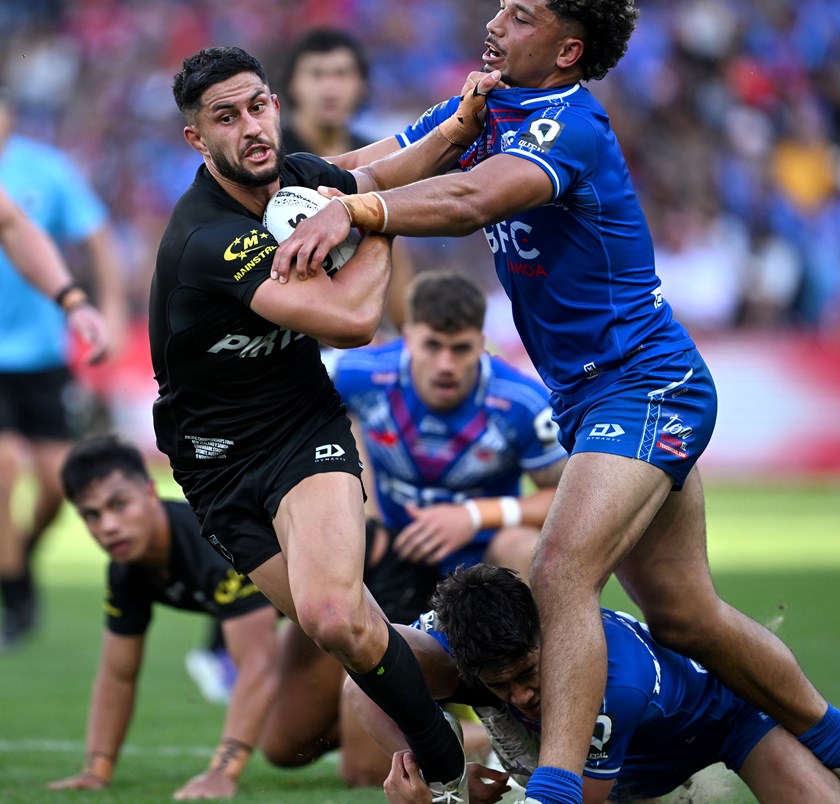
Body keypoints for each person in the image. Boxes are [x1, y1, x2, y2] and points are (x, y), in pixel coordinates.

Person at [269, 3, 840, 801]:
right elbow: (378, 166)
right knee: (686, 616)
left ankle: (556, 788)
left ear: (567, 49)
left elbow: (468, 201)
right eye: (503, 6)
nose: (498, 20)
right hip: (594, 398)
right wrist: (275, 188)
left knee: (560, 570)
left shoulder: (567, 124)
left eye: (522, 14)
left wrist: (357, 211)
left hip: (646, 383)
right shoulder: (484, 106)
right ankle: (833, 739)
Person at [149, 45, 502, 801]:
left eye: (257, 106)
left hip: (300, 428)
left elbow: (380, 171)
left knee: (334, 613)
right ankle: (515, 694)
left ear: (275, 106)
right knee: (348, 628)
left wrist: (457, 126)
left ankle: (445, 772)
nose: (250, 127)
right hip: (213, 468)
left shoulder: (297, 180)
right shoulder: (208, 238)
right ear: (196, 139)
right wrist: (381, 225)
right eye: (225, 117)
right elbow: (350, 318)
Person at [343, 564, 840, 804]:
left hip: (726, 722)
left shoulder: (613, 685)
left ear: (548, 633)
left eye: (528, 674)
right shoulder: (456, 639)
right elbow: (362, 683)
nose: (521, 696)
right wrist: (443, 779)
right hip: (612, 757)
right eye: (500, 685)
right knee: (377, 674)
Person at [50, 435, 282, 800]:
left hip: (365, 596)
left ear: (150, 492)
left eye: (119, 504)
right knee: (285, 746)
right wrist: (96, 771)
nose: (108, 526)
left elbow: (258, 665)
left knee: (356, 766)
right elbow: (118, 674)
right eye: (91, 515)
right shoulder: (126, 568)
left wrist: (222, 774)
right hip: (312, 627)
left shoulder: (214, 544)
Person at [332, 268, 567, 624]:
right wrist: (365, 516)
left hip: (483, 555)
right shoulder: (358, 376)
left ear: (481, 344)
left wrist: (473, 516)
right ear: (408, 338)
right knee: (330, 549)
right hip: (392, 550)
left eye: (460, 349)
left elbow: (567, 498)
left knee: (524, 548)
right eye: (432, 346)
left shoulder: (522, 404)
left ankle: (528, 653)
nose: (446, 365)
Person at [0, 87, 127, 647]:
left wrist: (88, 305)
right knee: (4, 467)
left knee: (57, 482)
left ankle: (16, 558)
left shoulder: (44, 169)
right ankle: (18, 597)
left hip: (41, 356)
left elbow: (27, 229)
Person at [279, 26, 414, 331]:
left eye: (341, 74)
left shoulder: (379, 159)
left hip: (356, 323)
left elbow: (394, 246)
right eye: (316, 74)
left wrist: (409, 334)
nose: (330, 87)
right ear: (292, 85)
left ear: (361, 85)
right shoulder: (272, 159)